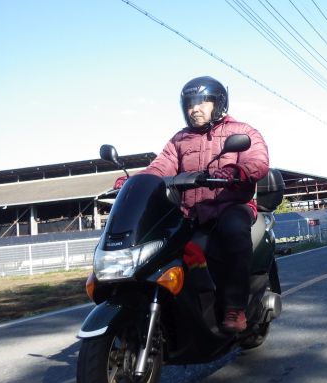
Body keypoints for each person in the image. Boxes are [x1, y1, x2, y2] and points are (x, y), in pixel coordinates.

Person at [114, 76, 269, 333]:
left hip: (230, 204)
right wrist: (136, 181)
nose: (194, 109)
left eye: (201, 102)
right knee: (166, 245)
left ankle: (235, 307)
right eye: (189, 104)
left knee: (234, 234)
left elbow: (258, 161)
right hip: (193, 211)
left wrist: (235, 171)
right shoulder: (180, 139)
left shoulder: (242, 131)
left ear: (218, 103)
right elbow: (160, 167)